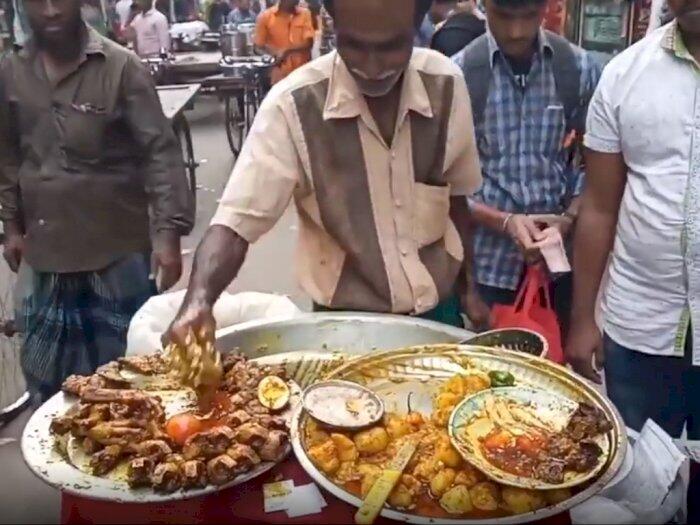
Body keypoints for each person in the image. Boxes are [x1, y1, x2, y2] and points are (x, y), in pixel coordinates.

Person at [166, 0, 484, 347]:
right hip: (343, 331)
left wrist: (470, 292)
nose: (373, 67)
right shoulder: (292, 105)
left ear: (419, 26)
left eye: (391, 46)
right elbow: (234, 225)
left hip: (440, 315)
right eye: (355, 46)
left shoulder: (446, 85)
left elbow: (456, 199)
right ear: (331, 25)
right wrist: (198, 300)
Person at [0, 0, 194, 399]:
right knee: (47, 386)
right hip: (45, 255)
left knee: (129, 382)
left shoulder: (121, 67)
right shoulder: (11, 71)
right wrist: (11, 225)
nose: (51, 11)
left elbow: (159, 152)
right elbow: (7, 154)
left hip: (116, 254)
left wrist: (167, 234)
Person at [566, 0, 700, 519]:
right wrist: (582, 320)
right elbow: (599, 208)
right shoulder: (624, 75)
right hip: (640, 324)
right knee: (639, 487)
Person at [452, 0, 600, 331]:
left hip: (558, 271)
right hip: (488, 271)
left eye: (528, 16)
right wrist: (504, 222)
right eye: (504, 16)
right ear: (484, 5)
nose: (516, 31)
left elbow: (594, 165)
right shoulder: (458, 75)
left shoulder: (578, 69)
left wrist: (569, 218)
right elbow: (447, 188)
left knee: (551, 374)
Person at [254, 0, 314, 84]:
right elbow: (258, 47)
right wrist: (272, 55)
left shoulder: (305, 14)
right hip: (279, 75)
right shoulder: (265, 17)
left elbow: (309, 43)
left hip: (302, 73)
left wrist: (286, 50)